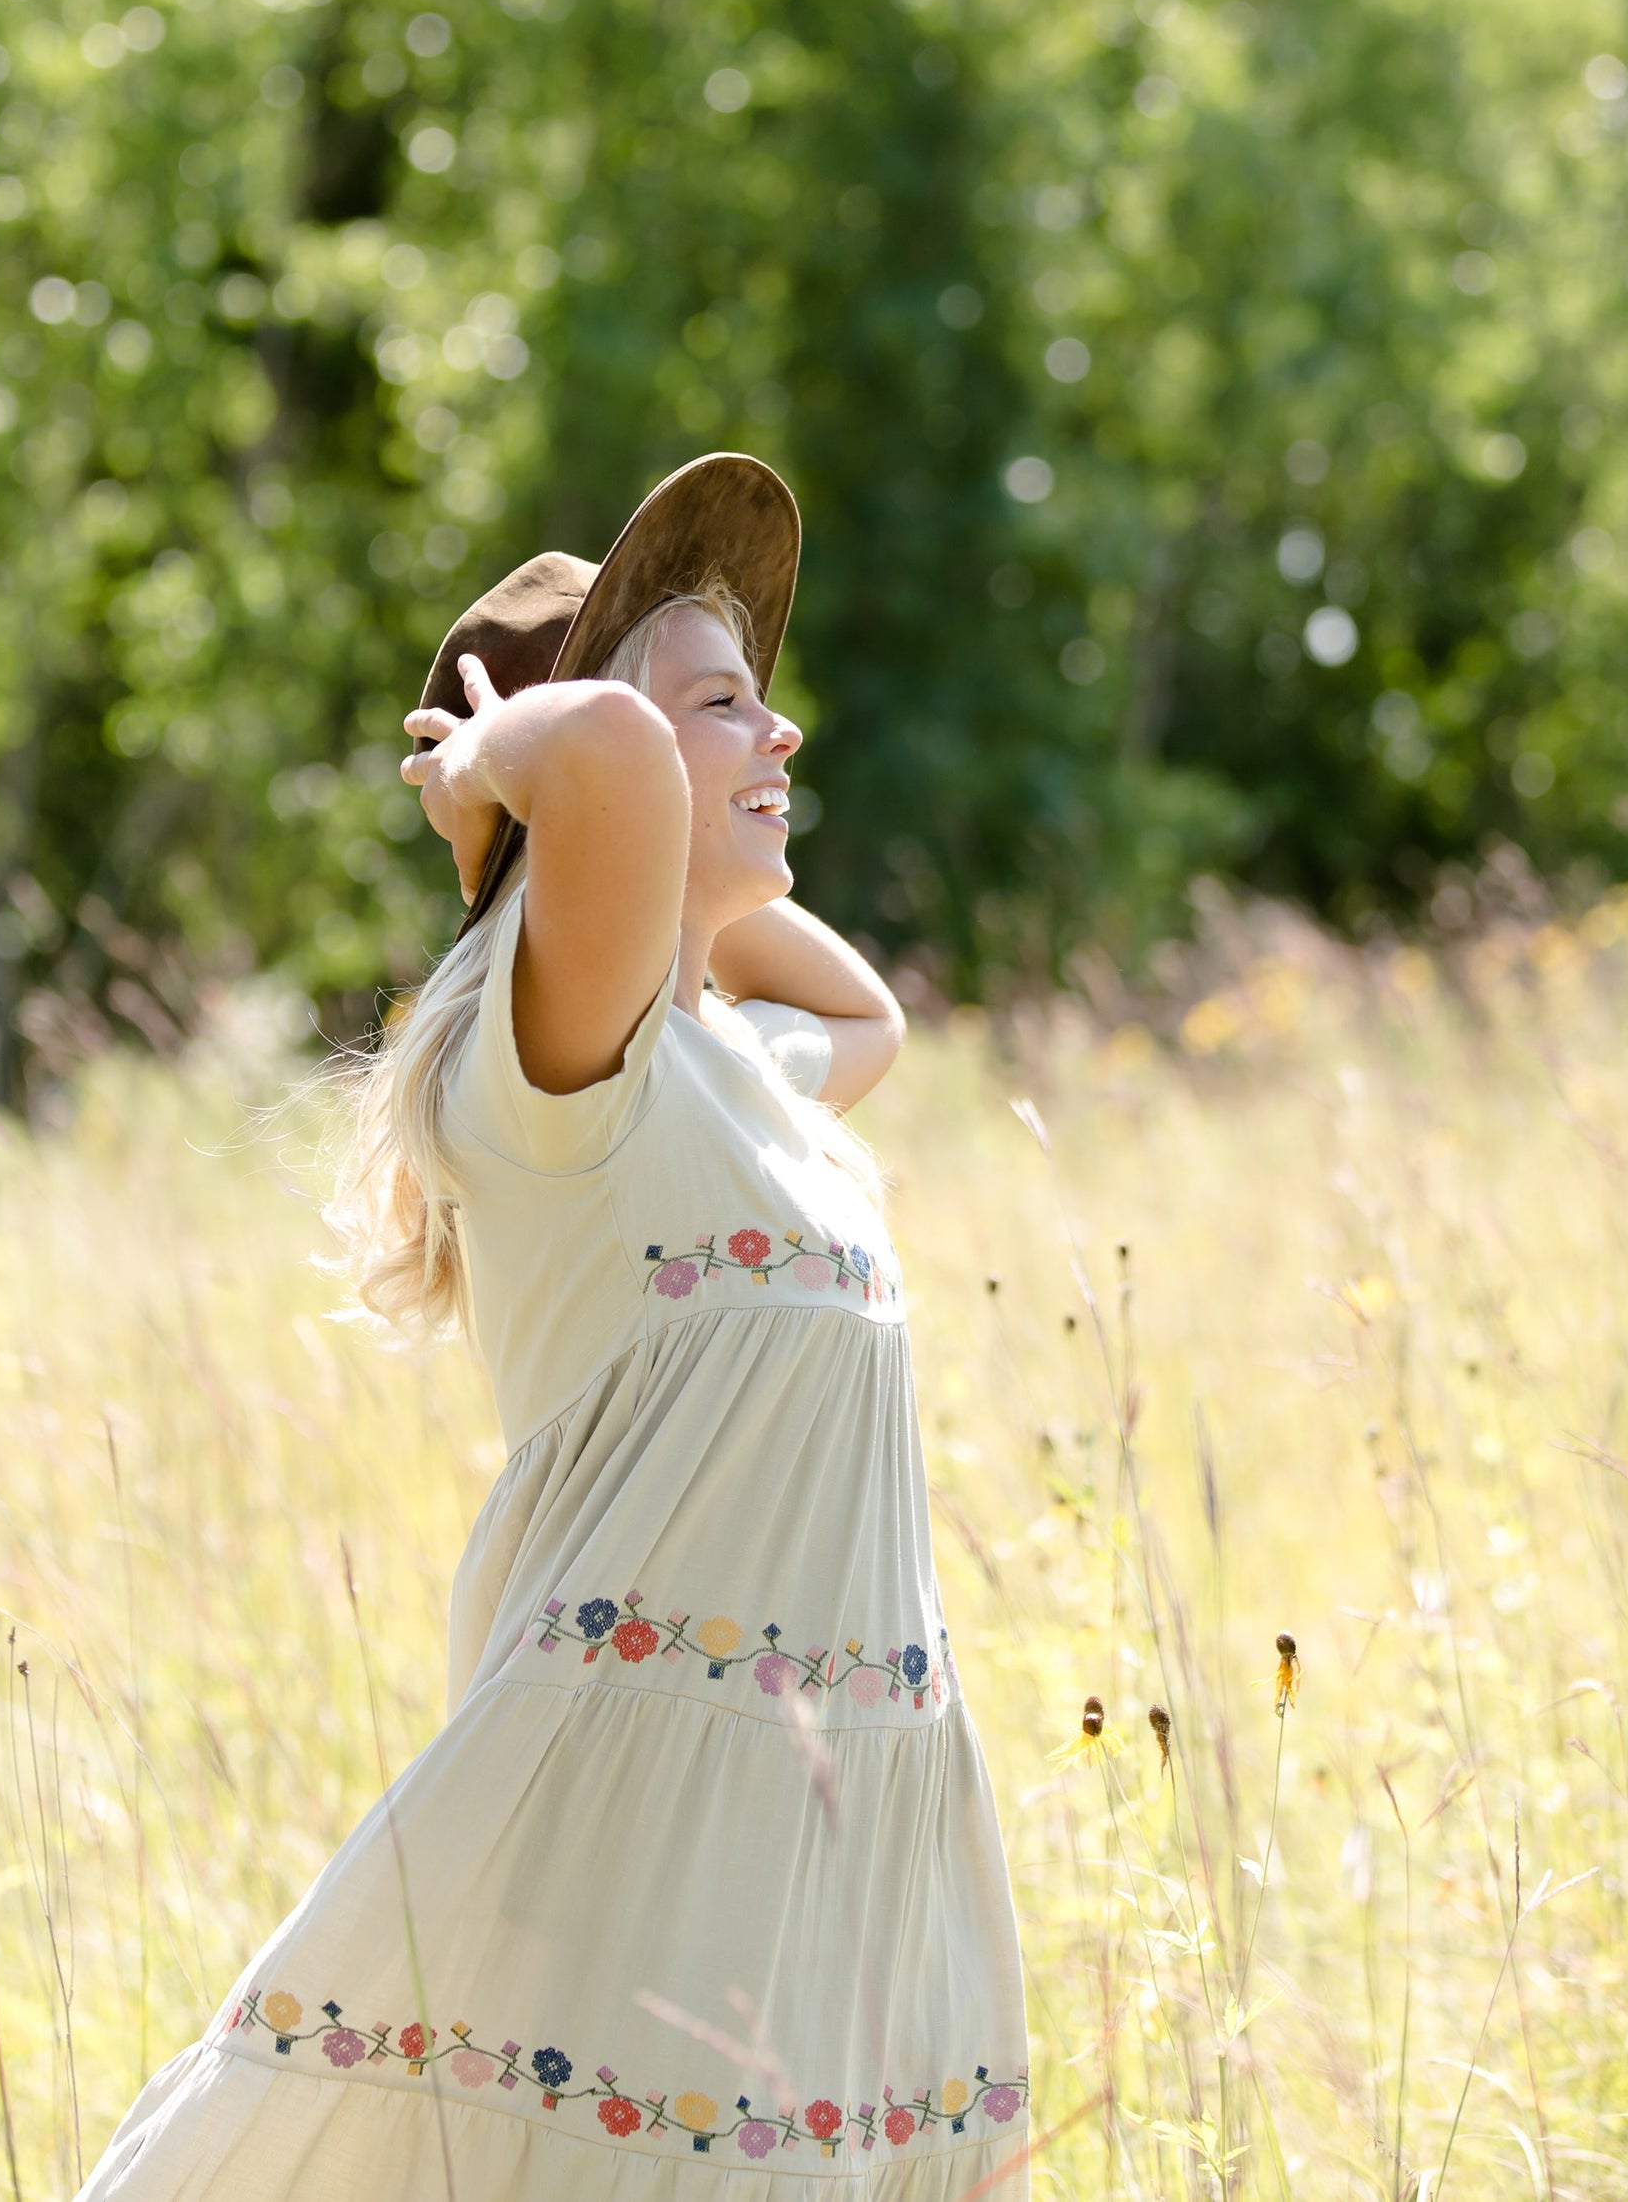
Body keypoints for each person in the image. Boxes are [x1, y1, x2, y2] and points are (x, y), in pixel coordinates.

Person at [78, 454, 1029, 2197]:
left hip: (797, 1811)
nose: (785, 736)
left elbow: (865, 1006)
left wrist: (675, 860)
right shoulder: (563, 1072)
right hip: (642, 1819)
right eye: (726, 703)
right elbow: (593, 756)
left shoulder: (721, 1071)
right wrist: (486, 772)